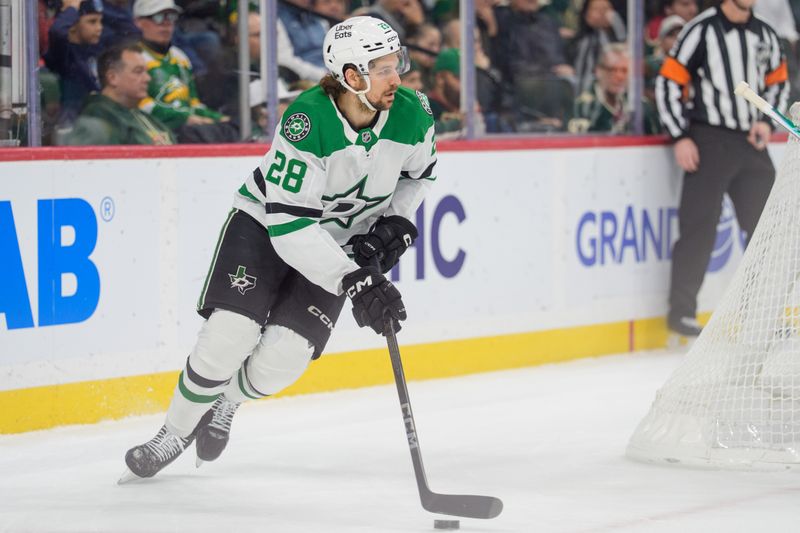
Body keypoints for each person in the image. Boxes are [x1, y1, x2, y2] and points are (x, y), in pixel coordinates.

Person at [121, 15, 437, 481]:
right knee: (229, 335)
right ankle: (172, 433)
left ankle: (226, 402)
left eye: (397, 64)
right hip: (266, 227)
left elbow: (418, 176)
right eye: (384, 69)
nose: (398, 78)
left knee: (284, 359)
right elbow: (290, 229)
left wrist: (398, 221)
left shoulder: (414, 113)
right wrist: (354, 280)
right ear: (352, 77)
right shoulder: (306, 121)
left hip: (337, 245)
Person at [656, 0, 789, 337]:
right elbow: (669, 81)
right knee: (699, 227)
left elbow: (778, 81)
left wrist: (766, 121)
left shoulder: (766, 33)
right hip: (709, 140)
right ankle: (681, 313)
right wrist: (680, 135)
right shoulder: (700, 30)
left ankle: (762, 312)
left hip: (752, 143)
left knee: (769, 232)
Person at [133, 0, 234, 141]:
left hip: (188, 130)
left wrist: (218, 118)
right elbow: (138, 104)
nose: (166, 23)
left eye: (171, 17)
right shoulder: (134, 57)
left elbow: (193, 104)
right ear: (139, 22)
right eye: (158, 17)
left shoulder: (180, 57)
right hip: (152, 132)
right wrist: (184, 118)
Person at [62, 43, 175, 145]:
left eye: (146, 72)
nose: (147, 78)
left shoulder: (143, 117)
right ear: (112, 78)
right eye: (138, 71)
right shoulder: (98, 116)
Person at [568, 43, 660, 134]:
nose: (619, 76)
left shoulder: (641, 106)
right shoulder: (582, 107)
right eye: (612, 70)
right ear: (598, 71)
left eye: (624, 70)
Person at [44, 0, 104, 128]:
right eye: (92, 22)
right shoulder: (64, 54)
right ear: (72, 25)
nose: (99, 28)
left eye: (100, 21)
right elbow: (57, 32)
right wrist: (72, 8)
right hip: (71, 127)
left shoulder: (94, 50)